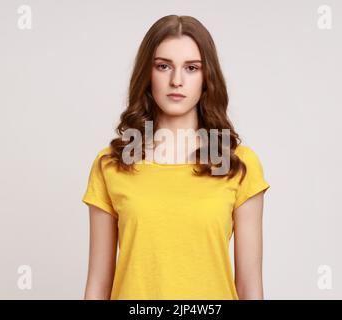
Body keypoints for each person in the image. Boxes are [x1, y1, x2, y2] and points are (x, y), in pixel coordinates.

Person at [82, 15, 270, 300]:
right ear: (148, 73)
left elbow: (249, 287)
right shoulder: (112, 163)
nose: (176, 80)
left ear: (207, 78)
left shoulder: (237, 164)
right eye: (163, 66)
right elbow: (98, 284)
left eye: (192, 68)